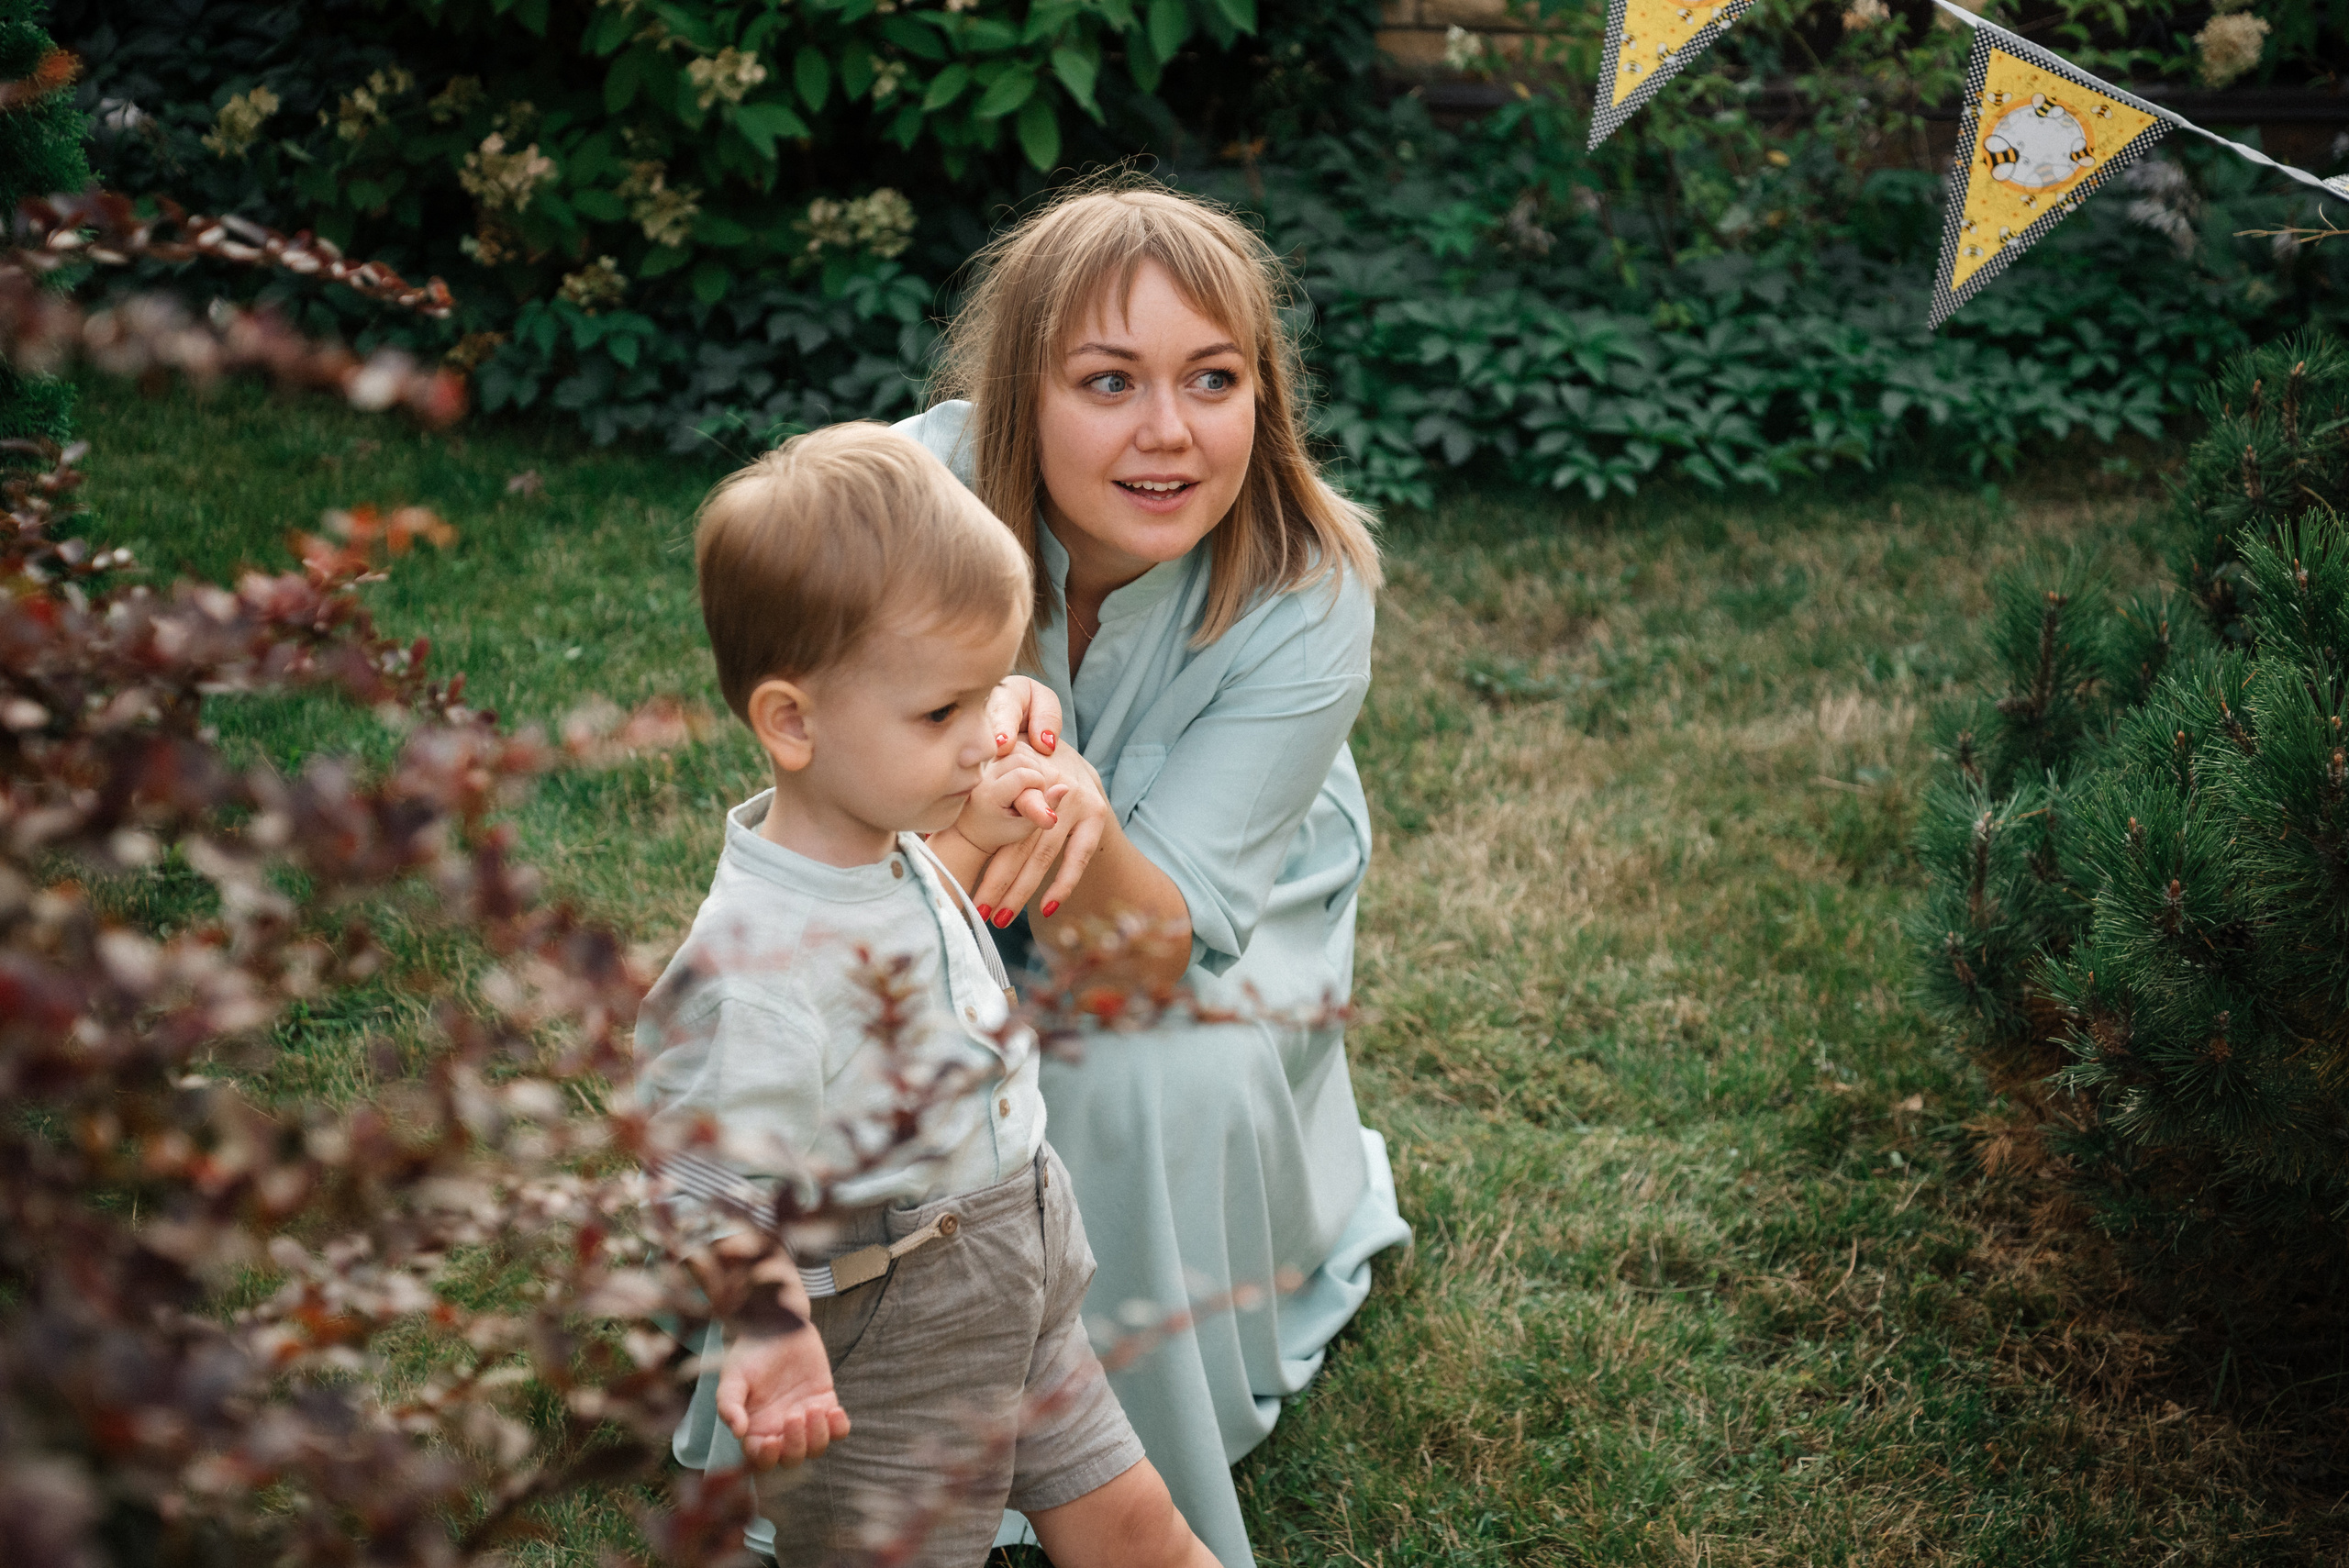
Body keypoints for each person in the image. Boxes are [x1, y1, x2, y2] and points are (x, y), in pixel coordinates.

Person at [896, 181, 1415, 1566]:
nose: (1170, 432)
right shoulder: (918, 492)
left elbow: (1154, 947)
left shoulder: (1308, 590)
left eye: (1213, 379)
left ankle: (1109, 1470)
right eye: (1109, 380)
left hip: (1201, 914)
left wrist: (1073, 810)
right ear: (1021, 394)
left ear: (1265, 396)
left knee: (1132, 1079)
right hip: (942, 879)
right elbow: (780, 578)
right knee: (871, 1024)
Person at [636, 422, 1220, 1568]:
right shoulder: (757, 963)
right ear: (792, 721)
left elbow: (890, 947)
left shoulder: (883, 846)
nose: (977, 742)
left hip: (1022, 1283)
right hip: (890, 1328)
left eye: (986, 693)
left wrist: (961, 841)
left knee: (1133, 1523)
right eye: (940, 715)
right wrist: (764, 1320)